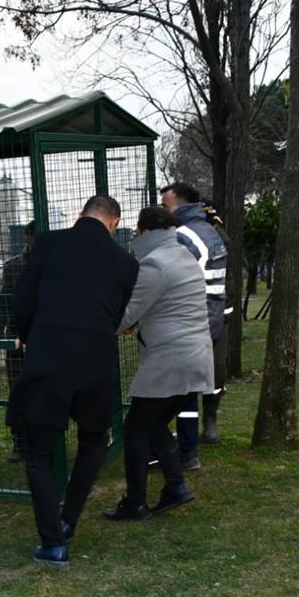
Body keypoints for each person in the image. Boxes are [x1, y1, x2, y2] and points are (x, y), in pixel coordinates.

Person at [9, 195, 139, 567]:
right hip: (96, 360)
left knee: (38, 451)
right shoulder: (126, 263)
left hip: (49, 356)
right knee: (95, 439)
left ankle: (53, 542)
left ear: (83, 214)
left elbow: (22, 300)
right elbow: (116, 313)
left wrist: (28, 333)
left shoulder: (49, 243)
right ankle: (69, 518)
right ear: (114, 222)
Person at [103, 206, 213, 521]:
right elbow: (168, 305)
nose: (135, 237)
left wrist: (98, 328)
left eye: (137, 232)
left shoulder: (155, 263)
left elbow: (130, 311)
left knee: (136, 429)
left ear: (148, 231)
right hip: (195, 356)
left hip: (169, 359)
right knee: (152, 425)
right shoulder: (183, 257)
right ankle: (176, 487)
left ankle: (136, 503)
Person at [159, 182, 229, 469]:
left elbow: (172, 278)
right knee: (187, 391)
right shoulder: (210, 231)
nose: (162, 210)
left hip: (188, 322)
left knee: (175, 390)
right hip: (208, 318)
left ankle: (179, 451)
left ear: (181, 205)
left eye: (166, 205)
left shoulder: (184, 236)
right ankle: (187, 450)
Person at [0, 221, 37, 462]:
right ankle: (19, 443)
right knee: (18, 391)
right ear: (27, 238)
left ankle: (41, 441)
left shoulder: (56, 263)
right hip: (18, 339)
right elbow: (3, 304)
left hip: (46, 339)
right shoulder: (13, 267)